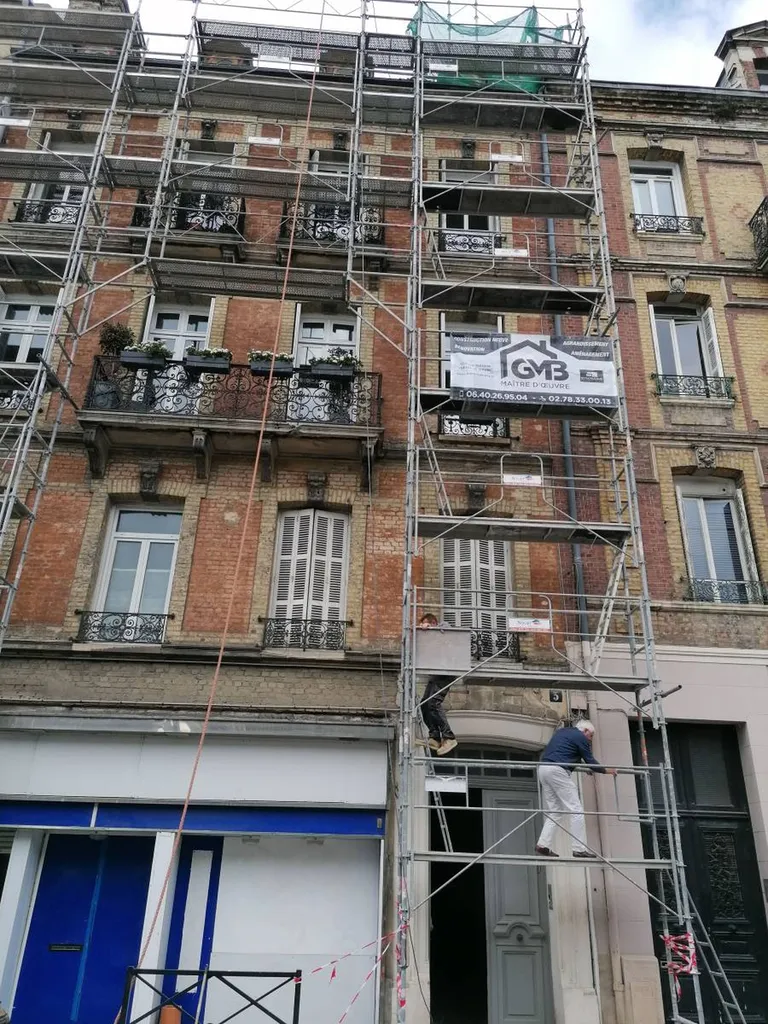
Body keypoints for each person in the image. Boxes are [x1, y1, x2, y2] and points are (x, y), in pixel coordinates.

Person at [535, 719, 616, 858]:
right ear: (585, 731)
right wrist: (608, 771)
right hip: (558, 771)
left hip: (543, 769)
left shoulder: (563, 732)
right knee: (576, 809)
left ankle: (543, 845)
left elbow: (567, 752)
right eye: (591, 736)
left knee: (556, 811)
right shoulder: (581, 737)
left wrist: (585, 766)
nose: (590, 740)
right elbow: (590, 760)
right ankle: (578, 848)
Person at [418, 613, 458, 756]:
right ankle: (434, 736)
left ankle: (449, 737)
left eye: (427, 624)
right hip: (436, 673)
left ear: (433, 623)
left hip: (446, 671)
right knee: (424, 704)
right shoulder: (429, 639)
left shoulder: (443, 628)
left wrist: (431, 628)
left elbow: (447, 629)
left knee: (434, 703)